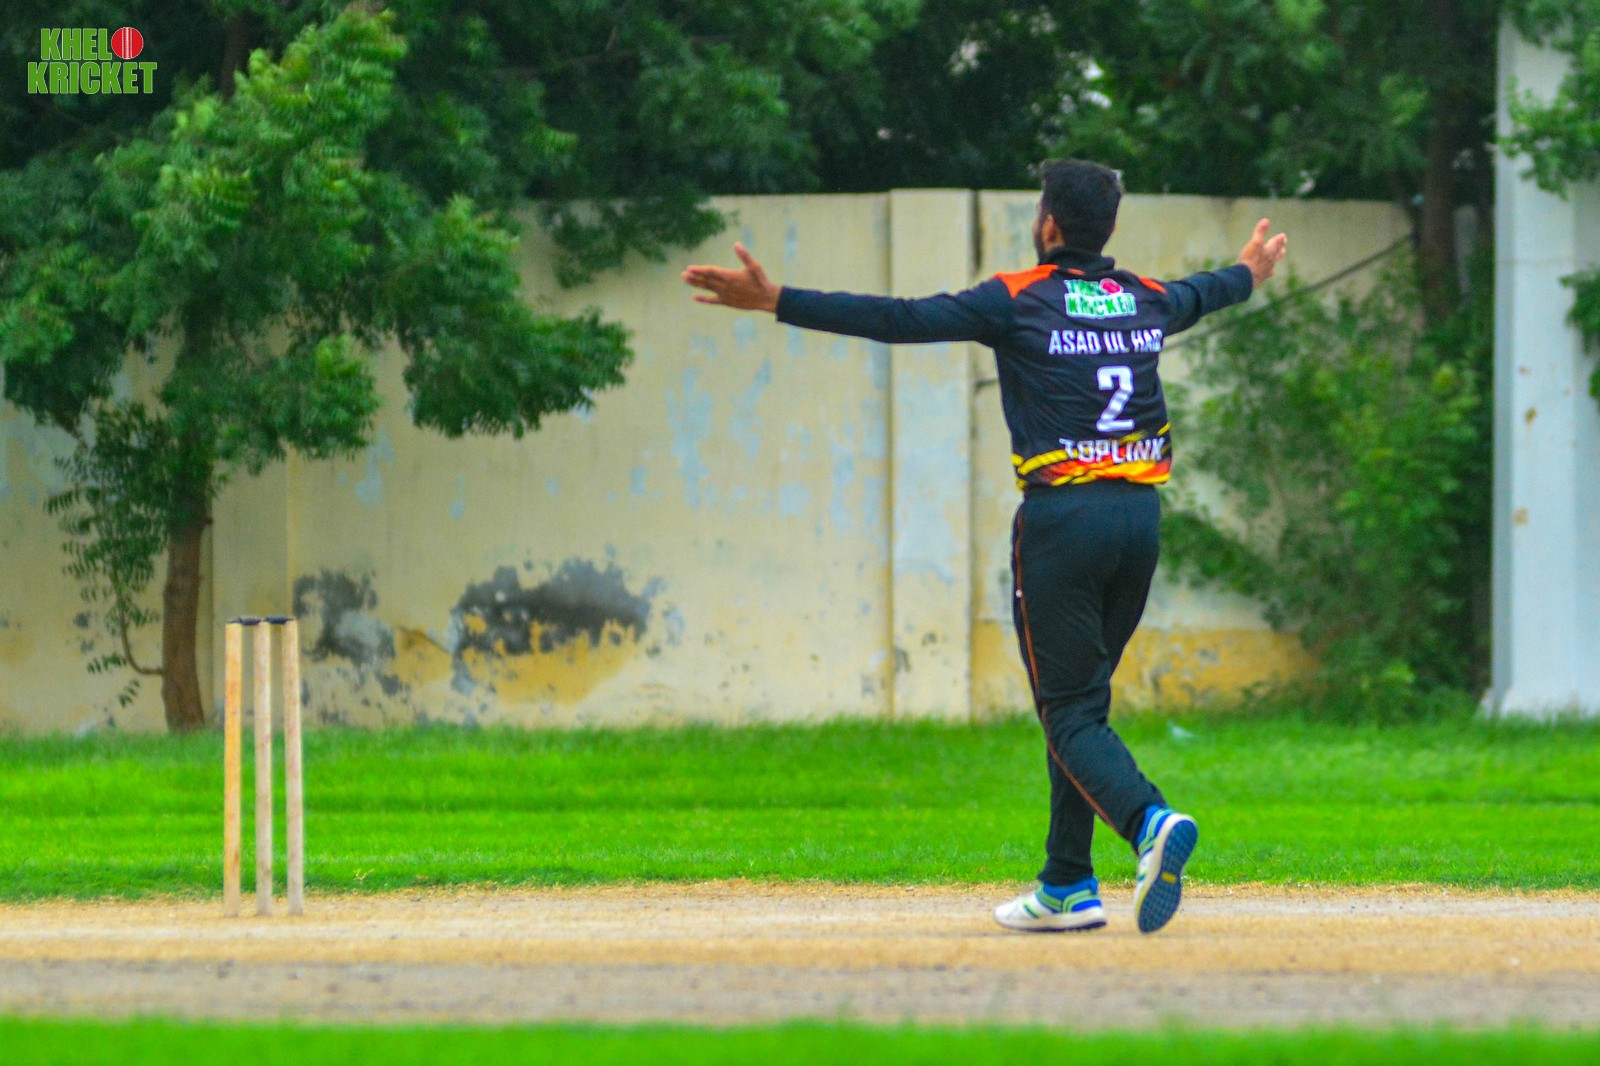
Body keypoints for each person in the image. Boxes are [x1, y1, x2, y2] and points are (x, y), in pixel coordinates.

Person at [682, 159, 1287, 934]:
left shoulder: (1016, 297)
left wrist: (778, 300)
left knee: (1068, 711)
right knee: (1082, 707)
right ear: (1106, 227)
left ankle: (1149, 823)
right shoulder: (1146, 297)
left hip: (1063, 522)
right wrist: (1249, 270)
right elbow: (1208, 290)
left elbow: (902, 319)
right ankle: (1067, 884)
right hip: (1139, 521)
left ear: (1048, 225)